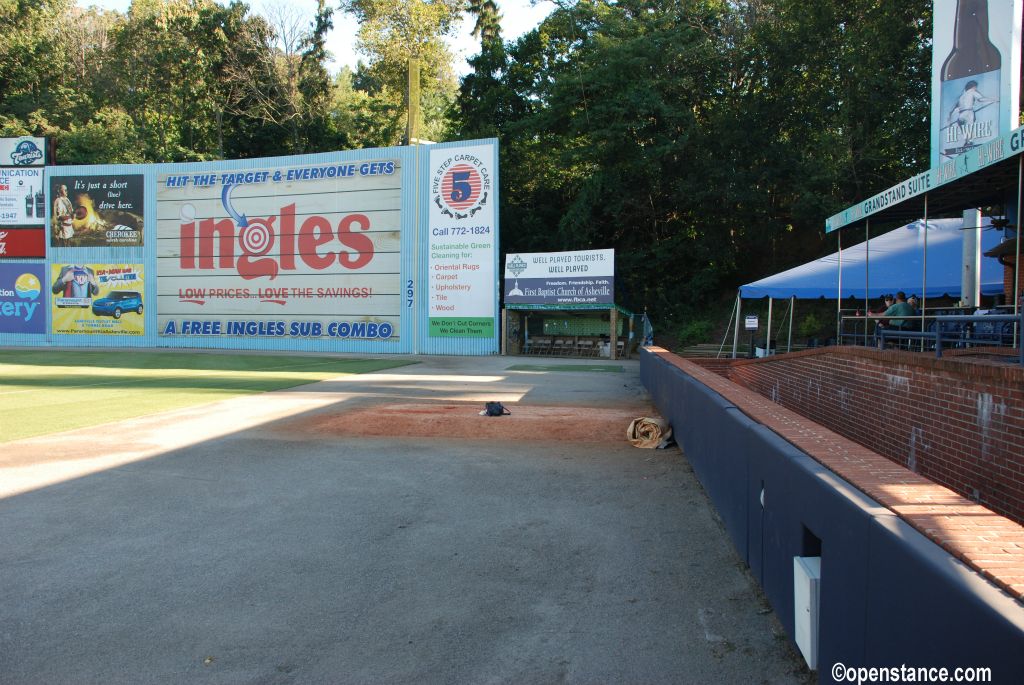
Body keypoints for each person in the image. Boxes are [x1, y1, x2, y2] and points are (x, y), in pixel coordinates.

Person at [946, 81, 997, 150]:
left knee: (966, 134)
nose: (976, 89)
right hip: (968, 114)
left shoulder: (961, 97)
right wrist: (993, 99)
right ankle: (968, 145)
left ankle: (966, 144)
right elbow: (981, 99)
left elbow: (951, 111)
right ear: (973, 87)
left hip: (960, 117)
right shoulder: (972, 92)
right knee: (970, 135)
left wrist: (949, 123)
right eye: (975, 87)